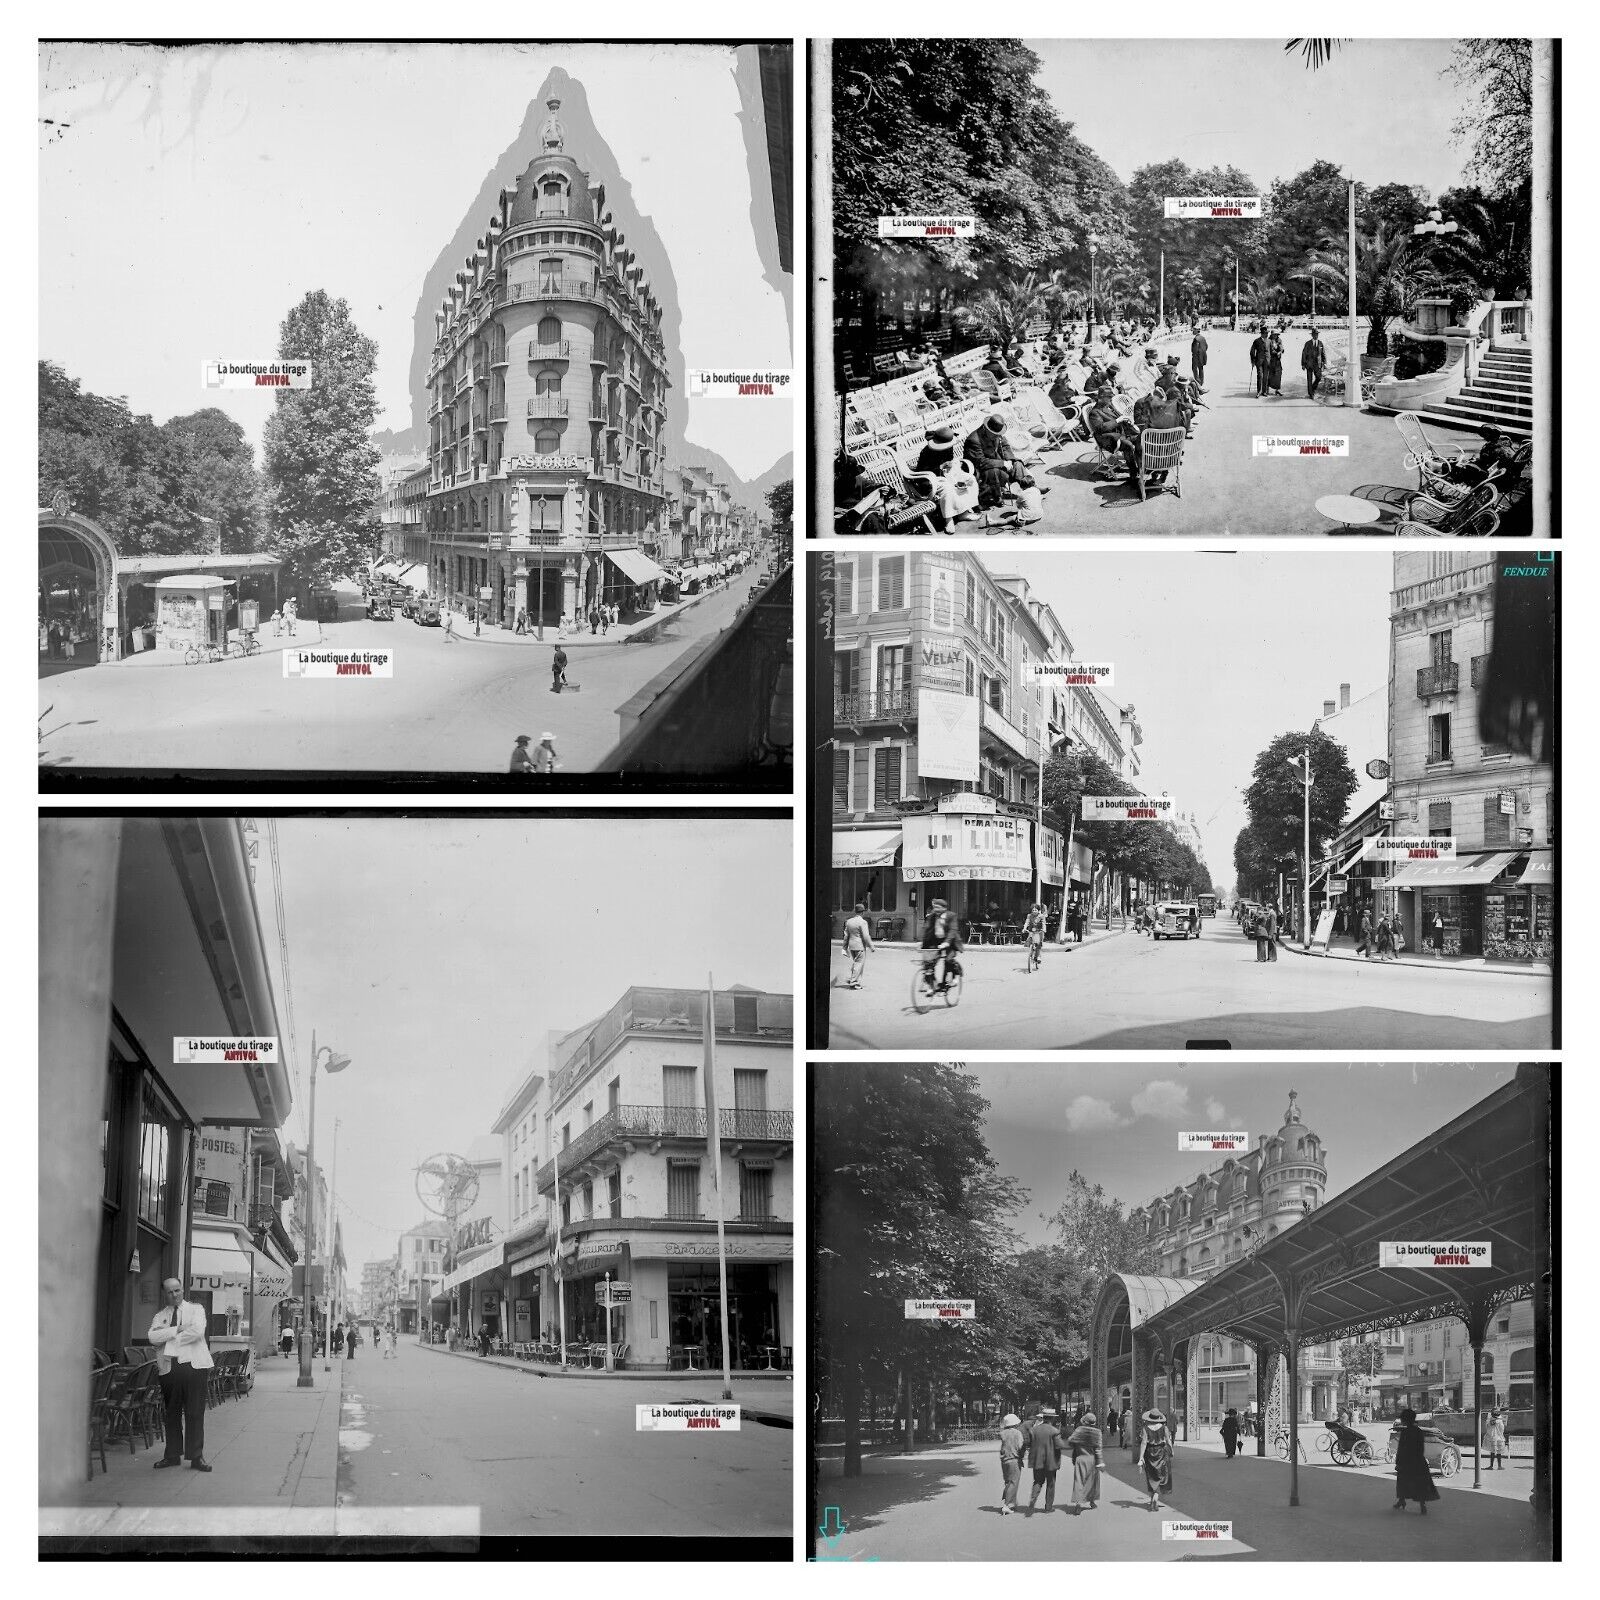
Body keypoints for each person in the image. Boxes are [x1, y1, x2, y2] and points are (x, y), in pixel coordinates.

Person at [148, 1277, 214, 1471]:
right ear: (164, 1294)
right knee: (171, 1413)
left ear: (182, 1290)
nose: (174, 1295)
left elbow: (197, 1332)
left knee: (195, 1413)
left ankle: (196, 1457)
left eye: (177, 1290)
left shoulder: (197, 1309)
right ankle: (172, 1455)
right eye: (170, 1292)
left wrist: (168, 1337)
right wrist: (177, 1328)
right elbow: (152, 1337)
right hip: (170, 1369)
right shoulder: (160, 1316)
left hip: (194, 1368)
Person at [915, 425, 980, 528]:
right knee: (948, 488)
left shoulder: (948, 446)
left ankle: (963, 512)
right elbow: (923, 471)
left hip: (945, 474)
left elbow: (949, 460)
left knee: (969, 479)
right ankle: (948, 520)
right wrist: (940, 467)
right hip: (930, 479)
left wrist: (949, 464)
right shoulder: (927, 452)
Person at [1393, 1408, 1440, 1513]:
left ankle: (1401, 1500)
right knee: (1420, 1483)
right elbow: (1421, 1448)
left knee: (1402, 1481)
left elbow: (1401, 1448)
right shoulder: (1418, 1431)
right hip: (1418, 1461)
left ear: (1405, 1420)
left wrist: (1398, 1461)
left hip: (1406, 1461)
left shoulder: (1405, 1432)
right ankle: (1422, 1505)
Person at [1023, 1406, 1062, 1514]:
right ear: (1052, 1418)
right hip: (1051, 1462)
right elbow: (1059, 1445)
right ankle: (1048, 1507)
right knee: (1050, 1483)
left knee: (1038, 1481)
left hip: (1037, 1461)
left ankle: (1033, 1499)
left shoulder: (1033, 1430)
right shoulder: (1055, 1431)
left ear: (1043, 1417)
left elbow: (1028, 1443)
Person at [1066, 1410, 1104, 1511]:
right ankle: (1092, 1502)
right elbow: (1098, 1449)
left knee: (1079, 1481)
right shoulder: (1098, 1432)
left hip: (1080, 1458)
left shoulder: (1079, 1430)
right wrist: (1100, 1462)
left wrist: (1077, 1444)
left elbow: (1070, 1442)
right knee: (1092, 1482)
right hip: (1092, 1459)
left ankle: (1078, 1505)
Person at [920, 897, 962, 989]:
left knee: (948, 960)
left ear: (944, 908)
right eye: (935, 908)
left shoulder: (951, 916)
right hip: (937, 942)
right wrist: (922, 945)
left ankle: (956, 975)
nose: (936, 910)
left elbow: (953, 930)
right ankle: (933, 985)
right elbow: (927, 930)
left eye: (938, 908)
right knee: (928, 963)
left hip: (950, 942)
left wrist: (947, 942)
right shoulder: (932, 916)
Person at [1136, 1409, 1173, 1510]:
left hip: (1150, 1453)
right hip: (1162, 1452)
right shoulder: (1164, 1428)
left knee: (1151, 1475)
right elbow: (1168, 1440)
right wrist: (1171, 1450)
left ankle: (1153, 1495)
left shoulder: (1145, 1428)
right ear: (1159, 1418)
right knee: (1162, 1474)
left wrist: (1141, 1458)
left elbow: (1143, 1443)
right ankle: (1156, 1496)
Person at [998, 1412, 1027, 1515]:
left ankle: (1012, 1502)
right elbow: (1020, 1446)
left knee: (1008, 1481)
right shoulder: (1017, 1433)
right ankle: (1006, 1505)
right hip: (1014, 1460)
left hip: (1004, 1460)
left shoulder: (1003, 1433)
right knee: (1013, 1482)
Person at [842, 902, 875, 989]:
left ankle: (852, 979)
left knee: (856, 963)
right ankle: (854, 982)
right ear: (863, 912)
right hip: (859, 946)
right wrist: (871, 946)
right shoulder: (863, 922)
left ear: (855, 912)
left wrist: (844, 948)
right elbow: (866, 936)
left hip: (851, 946)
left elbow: (846, 936)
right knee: (859, 963)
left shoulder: (849, 922)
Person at [1301, 329, 1326, 398]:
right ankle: (1311, 394)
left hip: (1318, 364)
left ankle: (1313, 388)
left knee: (1319, 377)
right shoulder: (1308, 343)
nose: (1316, 335)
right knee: (1309, 379)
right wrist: (1303, 364)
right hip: (1309, 363)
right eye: (1314, 334)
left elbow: (1323, 353)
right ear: (1312, 335)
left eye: (1317, 334)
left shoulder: (1320, 343)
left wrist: (1324, 363)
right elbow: (1304, 354)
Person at [1022, 902, 1047, 969]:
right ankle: (1031, 951)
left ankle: (1038, 956)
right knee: (1030, 941)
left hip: (1039, 931)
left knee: (1038, 944)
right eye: (1033, 910)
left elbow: (1044, 923)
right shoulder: (1029, 916)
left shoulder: (1041, 916)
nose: (1034, 911)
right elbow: (1026, 922)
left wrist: (1044, 929)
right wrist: (1024, 928)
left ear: (1038, 910)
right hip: (1031, 931)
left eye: (1035, 910)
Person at [1249, 327, 1269, 396]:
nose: (1267, 334)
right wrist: (1253, 360)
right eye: (1265, 333)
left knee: (1266, 376)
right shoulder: (1256, 341)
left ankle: (1264, 391)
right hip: (1259, 361)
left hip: (1267, 361)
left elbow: (1271, 351)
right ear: (1262, 334)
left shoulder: (1269, 341)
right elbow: (1252, 351)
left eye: (1267, 333)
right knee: (1260, 376)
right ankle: (1259, 391)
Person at [1267, 331, 1285, 396]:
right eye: (1274, 335)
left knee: (1278, 373)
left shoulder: (1279, 340)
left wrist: (1280, 351)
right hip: (1271, 360)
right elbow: (1269, 350)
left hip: (1277, 360)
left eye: (1276, 335)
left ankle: (1277, 390)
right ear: (1271, 335)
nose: (1275, 336)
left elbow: (1281, 347)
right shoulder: (1269, 341)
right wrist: (1275, 353)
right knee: (1270, 374)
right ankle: (1267, 389)